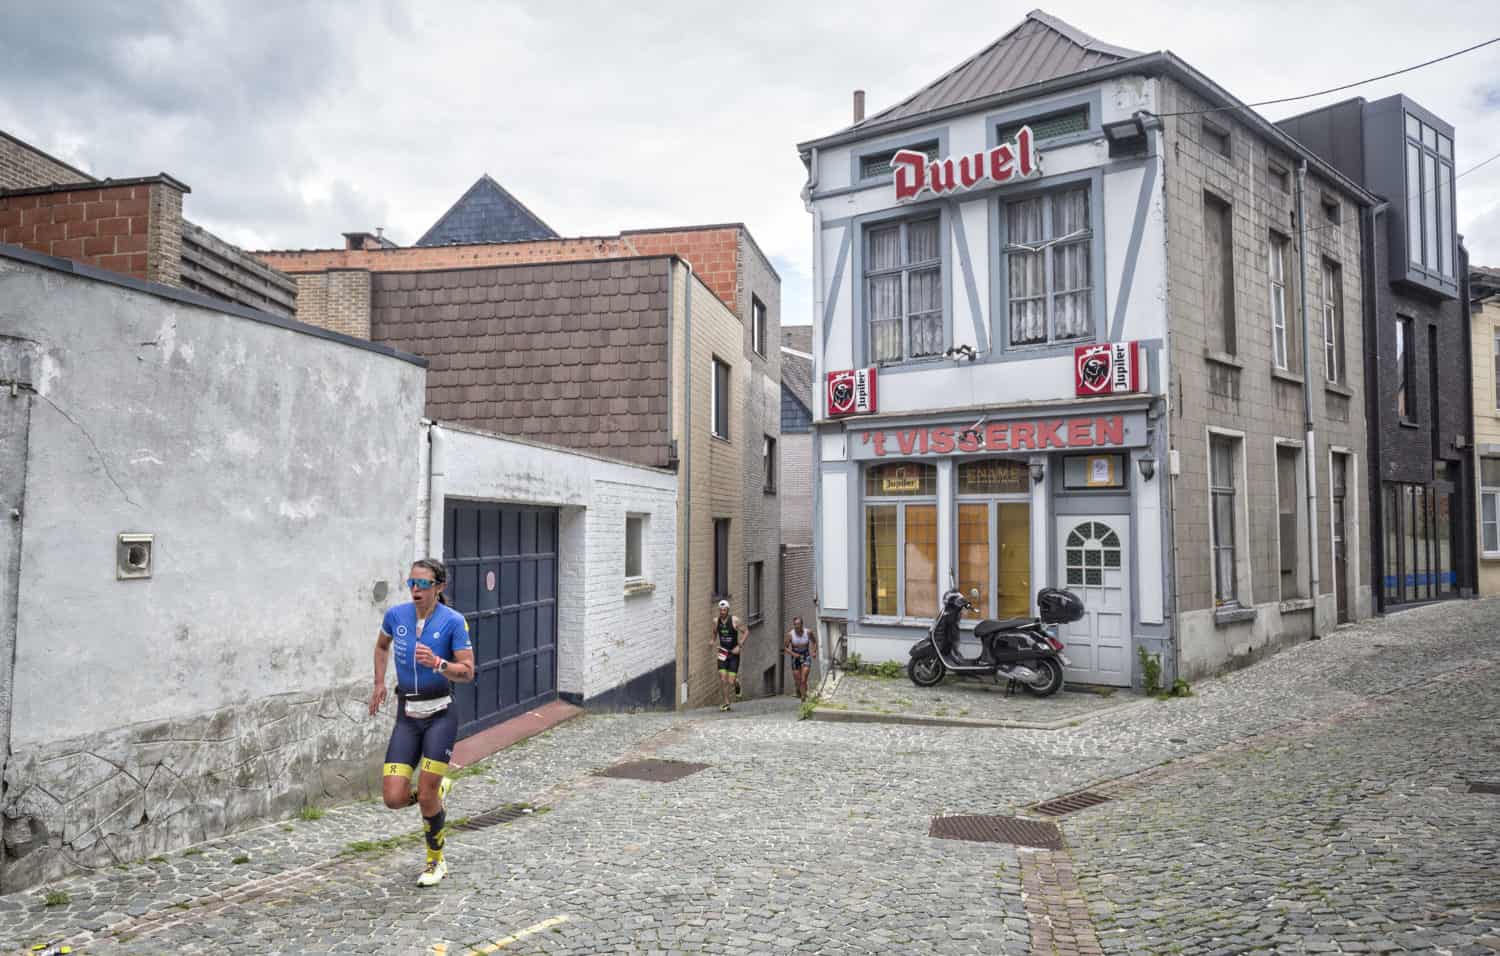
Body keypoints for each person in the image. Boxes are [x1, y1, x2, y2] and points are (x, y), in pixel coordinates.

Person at [369, 558, 475, 887]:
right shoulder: (396, 616)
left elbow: (468, 671)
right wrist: (379, 683)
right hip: (408, 716)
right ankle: (436, 790)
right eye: (411, 583)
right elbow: (381, 647)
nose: (416, 589)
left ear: (439, 587)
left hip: (440, 715)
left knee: (427, 795)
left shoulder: (454, 622)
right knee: (393, 798)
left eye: (423, 584)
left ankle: (435, 861)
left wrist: (439, 662)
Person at [713, 599, 747, 712]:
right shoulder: (716, 621)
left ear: (728, 610)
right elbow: (714, 632)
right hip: (722, 652)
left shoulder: (735, 620)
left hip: (733, 653)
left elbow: (746, 631)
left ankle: (736, 682)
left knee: (730, 681)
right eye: (721, 610)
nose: (722, 612)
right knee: (723, 679)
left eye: (725, 610)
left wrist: (739, 645)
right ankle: (726, 703)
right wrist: (712, 640)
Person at [784, 616, 818, 700]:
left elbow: (814, 642)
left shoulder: (808, 632)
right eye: (795, 624)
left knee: (804, 678)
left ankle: (803, 697)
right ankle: (799, 690)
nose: (796, 626)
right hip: (795, 657)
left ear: (802, 624)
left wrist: (814, 651)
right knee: (798, 679)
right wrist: (793, 654)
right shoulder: (790, 635)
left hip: (806, 656)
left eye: (798, 624)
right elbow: (785, 647)